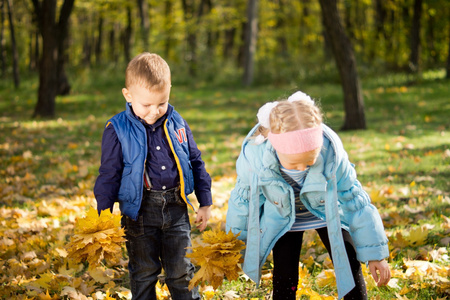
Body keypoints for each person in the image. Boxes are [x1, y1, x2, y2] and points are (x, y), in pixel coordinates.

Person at [226, 91, 391, 300]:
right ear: (276, 148)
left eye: (309, 162)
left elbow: (355, 201)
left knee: (349, 262)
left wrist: (376, 255)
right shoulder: (257, 160)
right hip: (283, 216)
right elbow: (244, 203)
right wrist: (235, 246)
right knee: (284, 275)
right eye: (294, 164)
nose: (302, 168)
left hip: (327, 211)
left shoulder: (331, 155)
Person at [94, 52, 212, 300]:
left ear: (169, 91)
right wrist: (104, 214)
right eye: (146, 105)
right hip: (139, 212)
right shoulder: (117, 129)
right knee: (144, 271)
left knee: (181, 271)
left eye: (162, 103)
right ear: (128, 95)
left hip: (176, 207)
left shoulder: (177, 121)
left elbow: (195, 160)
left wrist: (205, 201)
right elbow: (108, 174)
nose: (155, 111)